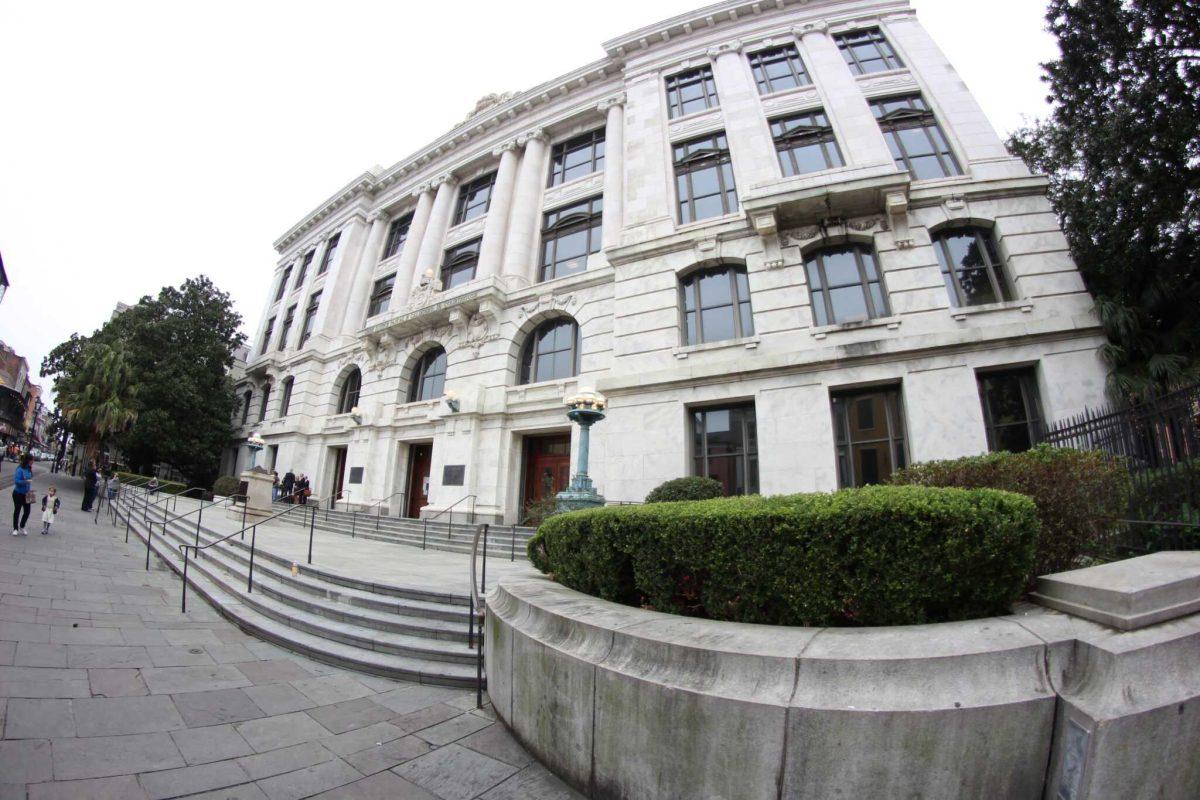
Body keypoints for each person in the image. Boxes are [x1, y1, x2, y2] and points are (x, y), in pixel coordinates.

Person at [11, 454, 33, 536]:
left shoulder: (29, 469)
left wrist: (29, 488)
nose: (32, 462)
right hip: (18, 493)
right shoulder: (20, 469)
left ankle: (22, 526)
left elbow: (30, 480)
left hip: (27, 493)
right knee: (17, 510)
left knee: (27, 511)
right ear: (28, 460)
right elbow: (16, 481)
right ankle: (15, 528)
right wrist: (25, 482)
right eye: (32, 460)